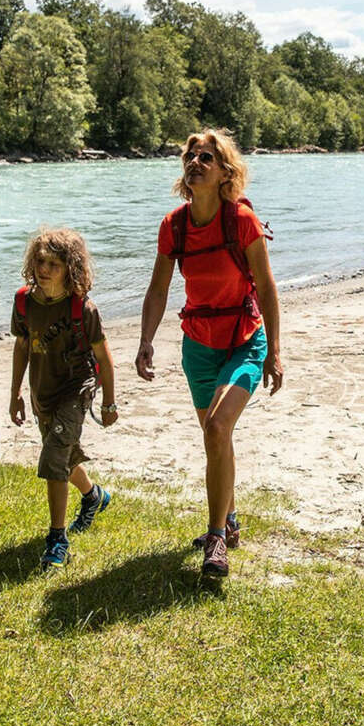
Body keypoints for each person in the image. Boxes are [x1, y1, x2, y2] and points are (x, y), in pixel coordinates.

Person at [135, 128, 283, 578]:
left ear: (225, 173)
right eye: (191, 156)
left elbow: (268, 286)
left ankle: (215, 538)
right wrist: (145, 340)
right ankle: (231, 519)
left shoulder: (241, 220)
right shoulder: (173, 225)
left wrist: (274, 351)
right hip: (198, 344)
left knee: (218, 427)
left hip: (243, 337)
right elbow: (159, 288)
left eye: (207, 158)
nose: (195, 163)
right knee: (215, 437)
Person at [9, 228, 118, 570]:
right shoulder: (24, 302)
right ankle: (94, 497)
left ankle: (57, 539)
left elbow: (103, 356)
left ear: (70, 267)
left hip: (76, 387)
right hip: (42, 390)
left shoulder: (82, 307)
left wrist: (109, 402)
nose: (44, 269)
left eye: (53, 264)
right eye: (40, 261)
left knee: (54, 455)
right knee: (65, 456)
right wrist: (14, 393)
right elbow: (23, 346)